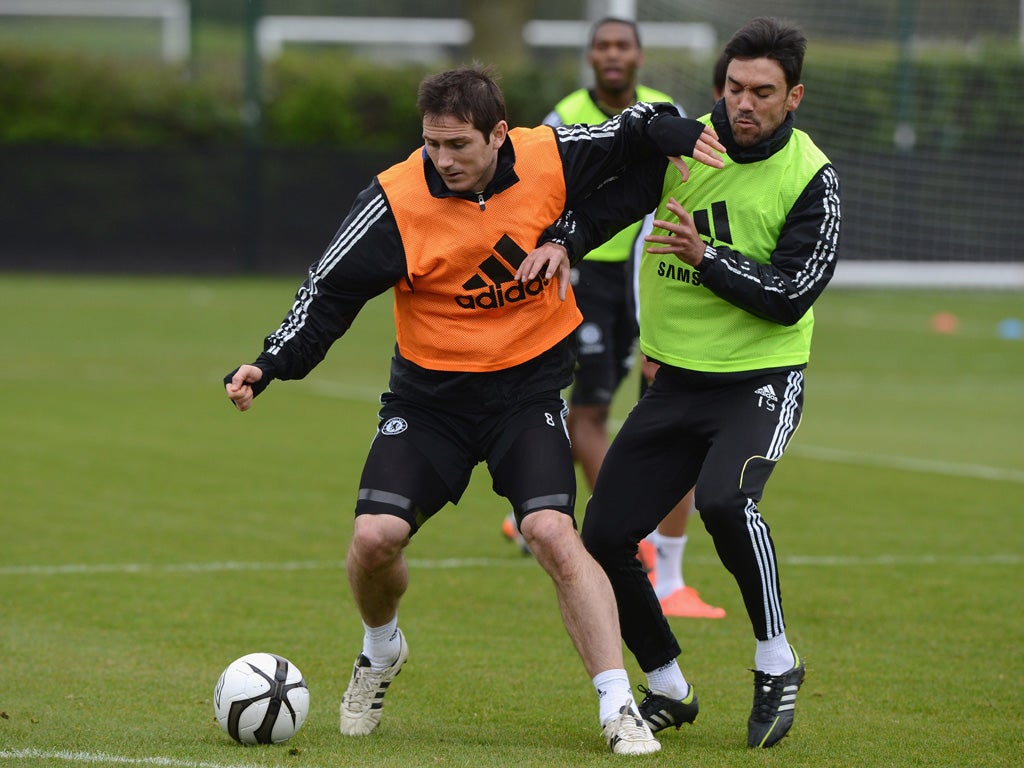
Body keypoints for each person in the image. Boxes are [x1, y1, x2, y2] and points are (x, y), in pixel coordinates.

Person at [223, 65, 725, 754]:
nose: (443, 159)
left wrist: (663, 147)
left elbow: (636, 130)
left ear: (498, 134)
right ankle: (381, 648)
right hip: (429, 403)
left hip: (525, 393)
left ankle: (618, 707)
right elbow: (327, 292)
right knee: (374, 540)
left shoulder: (548, 154)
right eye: (432, 144)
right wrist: (271, 362)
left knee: (552, 531)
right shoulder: (395, 201)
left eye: (458, 145)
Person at [526, 17, 841, 749]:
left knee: (727, 504)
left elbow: (793, 292)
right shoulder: (685, 144)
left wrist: (707, 259)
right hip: (675, 385)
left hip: (758, 381)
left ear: (793, 97)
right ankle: (666, 681)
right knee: (603, 534)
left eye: (763, 92)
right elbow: (613, 202)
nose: (745, 103)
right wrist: (565, 242)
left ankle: (776, 658)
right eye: (734, 88)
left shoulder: (812, 177)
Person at [503, 16, 724, 620]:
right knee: (590, 410)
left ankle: (651, 558)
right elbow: (539, 188)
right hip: (586, 274)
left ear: (639, 55)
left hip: (654, 275)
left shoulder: (667, 111)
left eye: (622, 45)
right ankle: (637, 546)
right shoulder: (564, 114)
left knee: (672, 410)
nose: (612, 54)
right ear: (591, 57)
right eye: (602, 45)